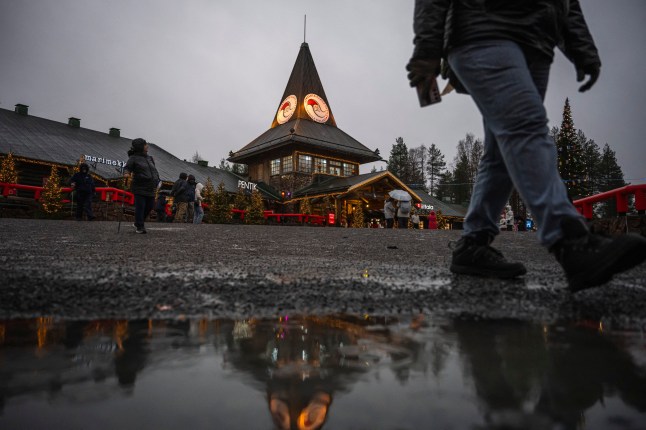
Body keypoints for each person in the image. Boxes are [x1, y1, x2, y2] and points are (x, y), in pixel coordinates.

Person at [407, 0, 646, 290]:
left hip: (538, 43)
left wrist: (582, 47)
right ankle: (569, 241)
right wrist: (427, 49)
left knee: (501, 152)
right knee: (525, 128)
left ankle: (473, 243)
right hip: (482, 28)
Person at [124, 138, 160, 234]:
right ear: (140, 147)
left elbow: (154, 170)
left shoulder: (150, 158)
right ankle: (140, 226)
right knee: (141, 207)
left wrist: (157, 179)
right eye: (145, 144)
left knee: (150, 206)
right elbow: (127, 168)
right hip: (139, 186)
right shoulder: (133, 158)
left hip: (150, 187)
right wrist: (127, 173)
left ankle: (137, 222)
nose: (147, 146)